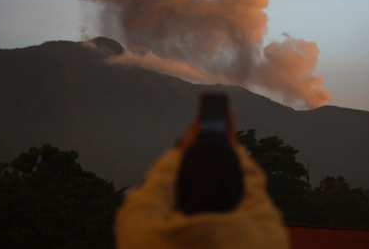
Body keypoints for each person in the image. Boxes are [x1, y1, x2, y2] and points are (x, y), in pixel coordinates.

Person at [114, 94, 290, 249]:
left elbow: (146, 199)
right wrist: (234, 149)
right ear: (237, 192)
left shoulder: (144, 240)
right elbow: (258, 201)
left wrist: (181, 150)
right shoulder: (268, 242)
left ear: (180, 190)